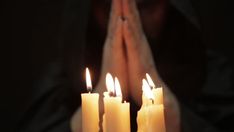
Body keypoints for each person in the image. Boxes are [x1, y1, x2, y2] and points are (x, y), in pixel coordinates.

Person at [19, 0, 234, 132]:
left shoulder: (214, 76)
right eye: (108, 5)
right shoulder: (57, 89)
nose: (128, 17)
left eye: (146, 5)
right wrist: (94, 110)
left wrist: (167, 113)